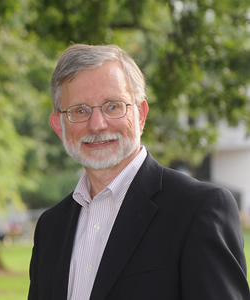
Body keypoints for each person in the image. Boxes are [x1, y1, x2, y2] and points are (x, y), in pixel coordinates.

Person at [28, 44, 250, 300]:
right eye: (80, 111)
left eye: (112, 106)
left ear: (141, 115)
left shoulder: (198, 209)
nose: (97, 125)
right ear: (59, 126)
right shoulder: (50, 227)